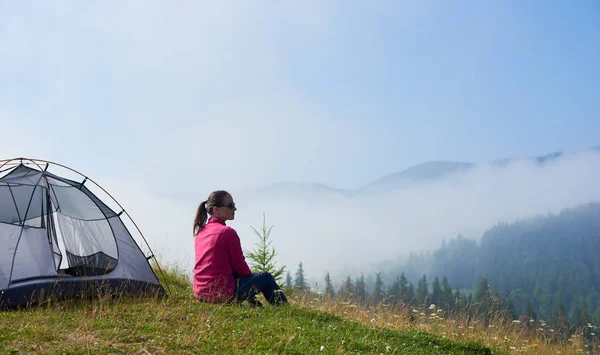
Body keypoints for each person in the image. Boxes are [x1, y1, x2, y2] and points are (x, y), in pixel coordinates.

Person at [192, 190, 287, 307]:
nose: (235, 209)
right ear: (216, 210)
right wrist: (251, 280)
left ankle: (254, 303)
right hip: (222, 294)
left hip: (201, 293)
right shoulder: (227, 232)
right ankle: (284, 310)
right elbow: (240, 266)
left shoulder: (201, 232)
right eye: (231, 205)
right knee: (265, 277)